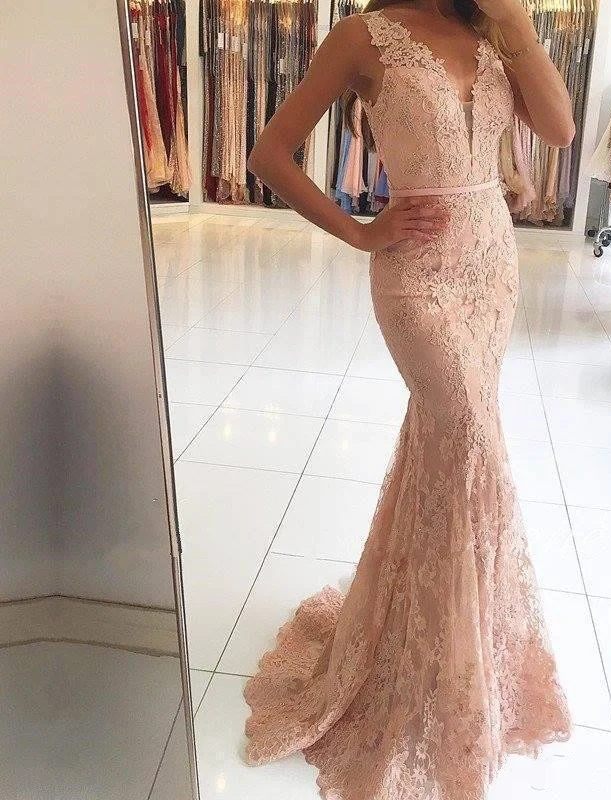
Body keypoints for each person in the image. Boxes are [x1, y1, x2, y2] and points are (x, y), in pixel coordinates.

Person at [243, 1, 575, 798]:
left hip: (490, 266)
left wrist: (515, 22)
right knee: (470, 444)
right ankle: (439, 662)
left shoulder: (493, 28)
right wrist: (360, 230)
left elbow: (560, 130)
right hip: (416, 276)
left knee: (449, 448)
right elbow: (269, 154)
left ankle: (442, 645)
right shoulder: (362, 36)